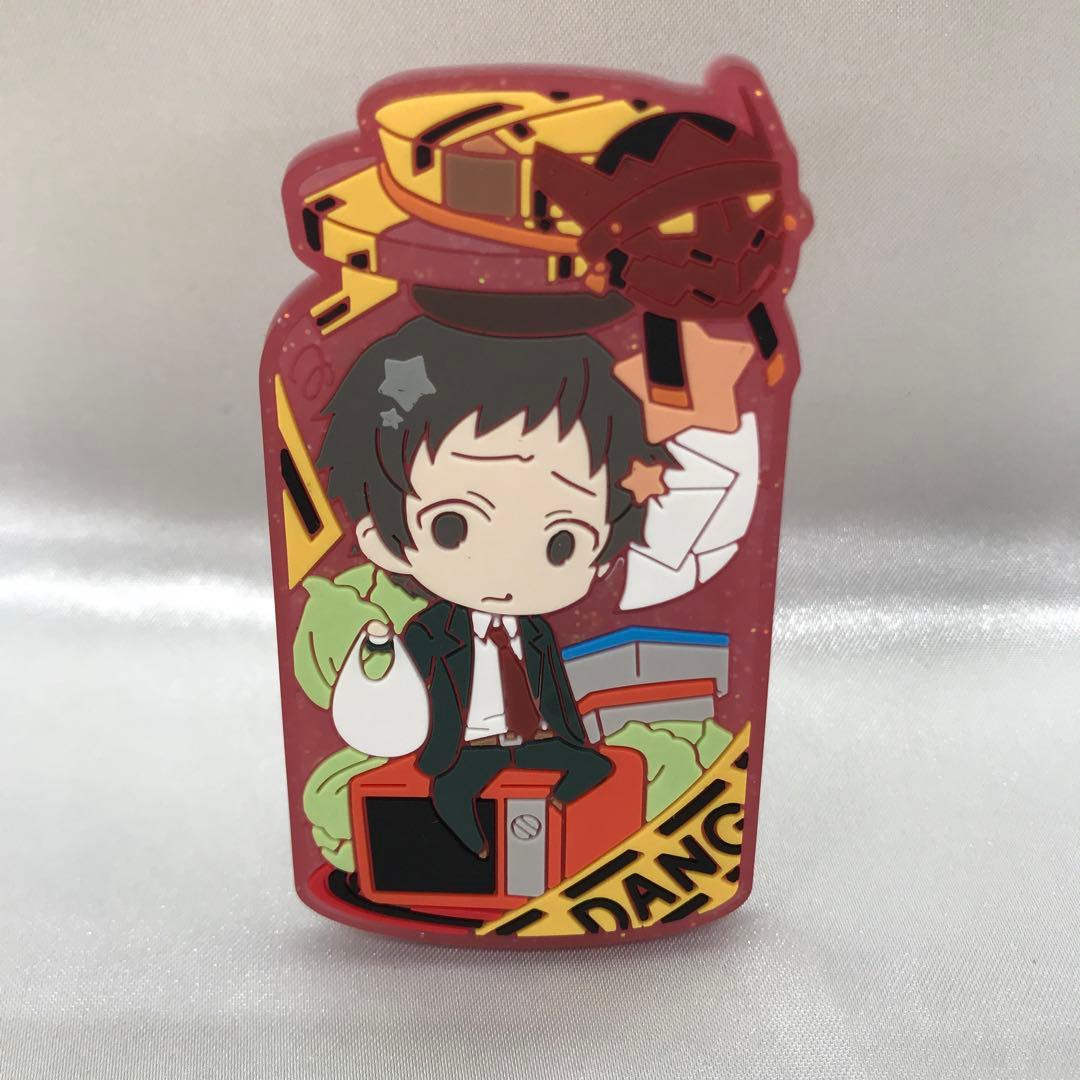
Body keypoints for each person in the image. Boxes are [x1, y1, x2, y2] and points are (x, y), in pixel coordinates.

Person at [318, 316, 668, 856]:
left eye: (561, 543)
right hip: (466, 749)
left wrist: (572, 738)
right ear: (382, 539)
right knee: (454, 789)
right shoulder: (431, 630)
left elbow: (554, 689)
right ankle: (469, 837)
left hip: (532, 742)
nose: (505, 570)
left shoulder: (536, 632)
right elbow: (407, 689)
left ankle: (552, 808)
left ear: (602, 557)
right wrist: (381, 661)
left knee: (592, 766)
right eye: (451, 527)